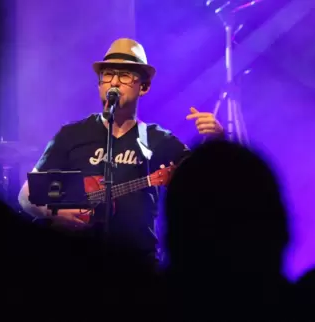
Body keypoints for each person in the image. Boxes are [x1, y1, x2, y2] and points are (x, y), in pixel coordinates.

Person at [18, 38, 224, 260]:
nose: (114, 82)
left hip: (137, 266)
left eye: (124, 75)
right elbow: (26, 195)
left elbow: (206, 189)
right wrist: (54, 213)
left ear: (143, 87)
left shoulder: (158, 140)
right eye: (108, 74)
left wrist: (217, 141)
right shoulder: (71, 135)